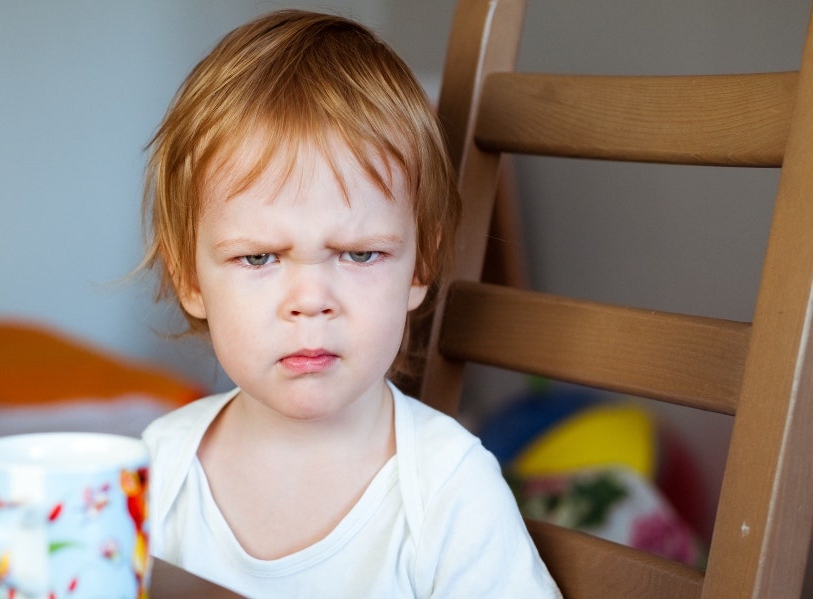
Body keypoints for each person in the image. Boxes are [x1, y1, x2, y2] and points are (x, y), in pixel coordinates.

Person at [138, 9, 559, 598]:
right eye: (258, 258)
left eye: (360, 255)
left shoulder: (448, 489)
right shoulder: (159, 467)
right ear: (189, 277)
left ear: (422, 266)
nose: (311, 302)